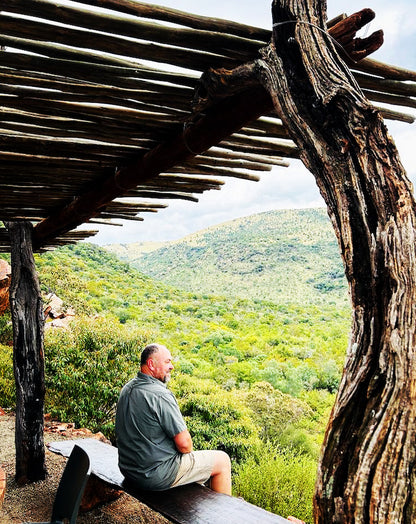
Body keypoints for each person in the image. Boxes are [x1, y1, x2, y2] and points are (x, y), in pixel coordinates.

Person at [115, 343, 232, 494]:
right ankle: (225, 515)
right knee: (222, 460)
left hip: (129, 470)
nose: (171, 366)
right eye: (167, 362)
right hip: (152, 476)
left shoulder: (128, 388)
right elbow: (185, 445)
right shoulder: (160, 395)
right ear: (151, 364)